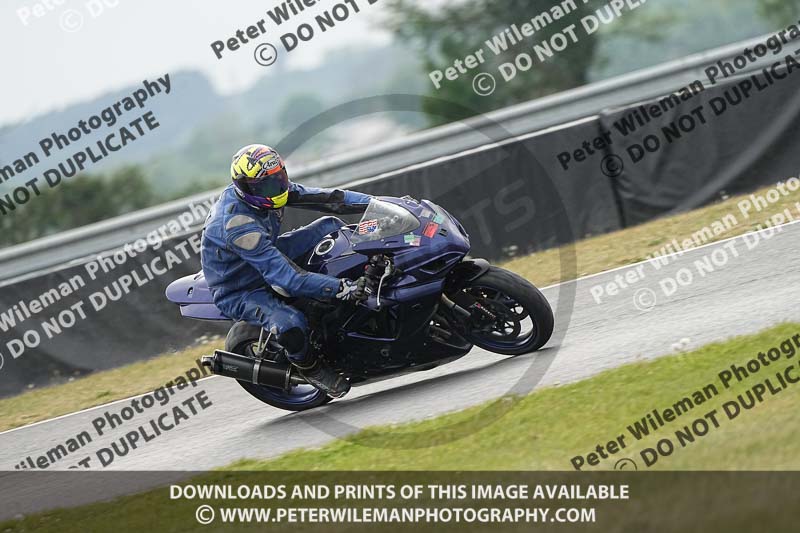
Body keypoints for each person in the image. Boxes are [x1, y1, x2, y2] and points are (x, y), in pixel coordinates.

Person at [201, 144, 373, 398]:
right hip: (241, 287)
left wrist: (377, 203)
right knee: (290, 323)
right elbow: (289, 279)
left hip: (264, 251)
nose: (277, 188)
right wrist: (342, 287)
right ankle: (310, 367)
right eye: (267, 185)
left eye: (279, 178)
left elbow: (331, 199)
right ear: (246, 187)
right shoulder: (238, 226)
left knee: (330, 226)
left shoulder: (271, 189)